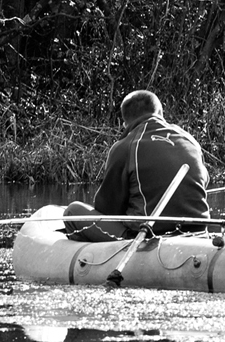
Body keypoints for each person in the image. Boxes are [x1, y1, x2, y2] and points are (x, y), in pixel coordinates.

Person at [63, 90, 210, 242]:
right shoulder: (191, 141)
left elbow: (107, 209)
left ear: (125, 122)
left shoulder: (125, 147)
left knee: (73, 211)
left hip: (146, 236)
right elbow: (202, 184)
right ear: (160, 113)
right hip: (199, 232)